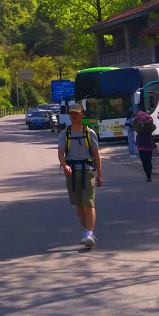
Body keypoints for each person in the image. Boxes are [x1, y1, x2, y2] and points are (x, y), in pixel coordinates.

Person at [56, 102, 103, 248]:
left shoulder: (90, 133)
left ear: (82, 114)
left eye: (76, 113)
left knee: (89, 203)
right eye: (71, 113)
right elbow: (60, 153)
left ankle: (90, 233)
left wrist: (100, 174)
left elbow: (96, 155)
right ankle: (86, 231)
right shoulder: (65, 133)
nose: (74, 116)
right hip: (71, 172)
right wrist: (64, 166)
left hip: (87, 170)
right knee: (78, 203)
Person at [133, 107, 157, 181]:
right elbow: (153, 128)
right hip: (149, 143)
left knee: (144, 161)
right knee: (149, 160)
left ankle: (148, 176)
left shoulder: (136, 120)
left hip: (141, 144)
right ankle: (150, 175)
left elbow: (134, 129)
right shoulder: (149, 119)